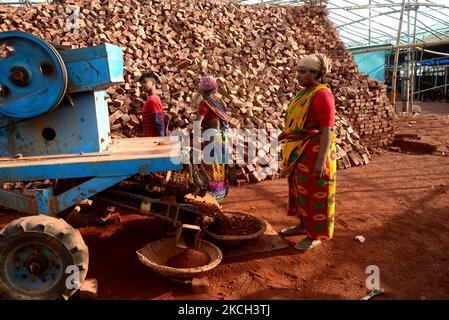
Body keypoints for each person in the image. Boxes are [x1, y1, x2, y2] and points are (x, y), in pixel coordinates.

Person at [278, 53, 336, 251]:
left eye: (302, 72)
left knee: (317, 193)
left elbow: (327, 129)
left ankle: (316, 234)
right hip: (300, 149)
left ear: (315, 73)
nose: (298, 76)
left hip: (316, 149)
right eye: (298, 72)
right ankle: (303, 224)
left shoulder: (322, 94)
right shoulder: (304, 93)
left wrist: (321, 162)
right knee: (299, 189)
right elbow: (301, 122)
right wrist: (285, 134)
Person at [197, 75, 231, 202]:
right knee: (220, 165)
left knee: (211, 166)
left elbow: (199, 121)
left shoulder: (205, 103)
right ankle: (220, 193)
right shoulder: (220, 102)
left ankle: (212, 194)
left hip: (212, 137)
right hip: (223, 137)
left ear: (202, 90)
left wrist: (192, 132)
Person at [139, 71, 167, 137]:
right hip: (150, 138)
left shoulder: (153, 100)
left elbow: (158, 121)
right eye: (141, 83)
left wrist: (160, 139)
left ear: (153, 83)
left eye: (145, 82)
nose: (142, 85)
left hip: (153, 139)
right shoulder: (151, 99)